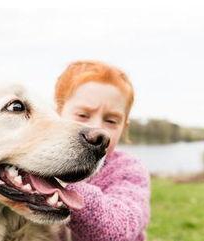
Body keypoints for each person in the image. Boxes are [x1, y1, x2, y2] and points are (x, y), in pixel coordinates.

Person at [55, 60, 150, 241]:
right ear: (57, 113)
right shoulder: (36, 161)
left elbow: (120, 228)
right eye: (83, 115)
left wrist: (60, 185)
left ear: (124, 127)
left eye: (111, 121)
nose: (97, 128)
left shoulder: (128, 169)